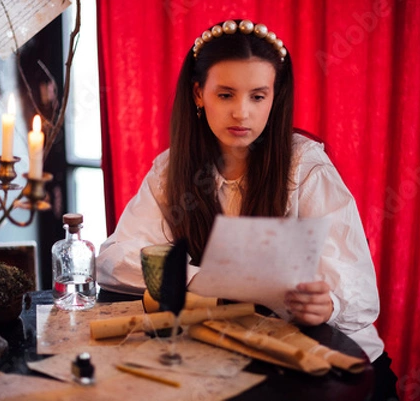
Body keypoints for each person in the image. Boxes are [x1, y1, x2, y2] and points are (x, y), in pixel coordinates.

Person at [97, 19, 398, 400]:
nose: (242, 113)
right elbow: (113, 260)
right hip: (237, 358)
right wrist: (201, 281)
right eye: (225, 95)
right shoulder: (171, 170)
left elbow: (359, 291)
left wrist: (328, 303)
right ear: (198, 93)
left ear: (275, 98)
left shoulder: (304, 167)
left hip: (335, 367)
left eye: (258, 96)